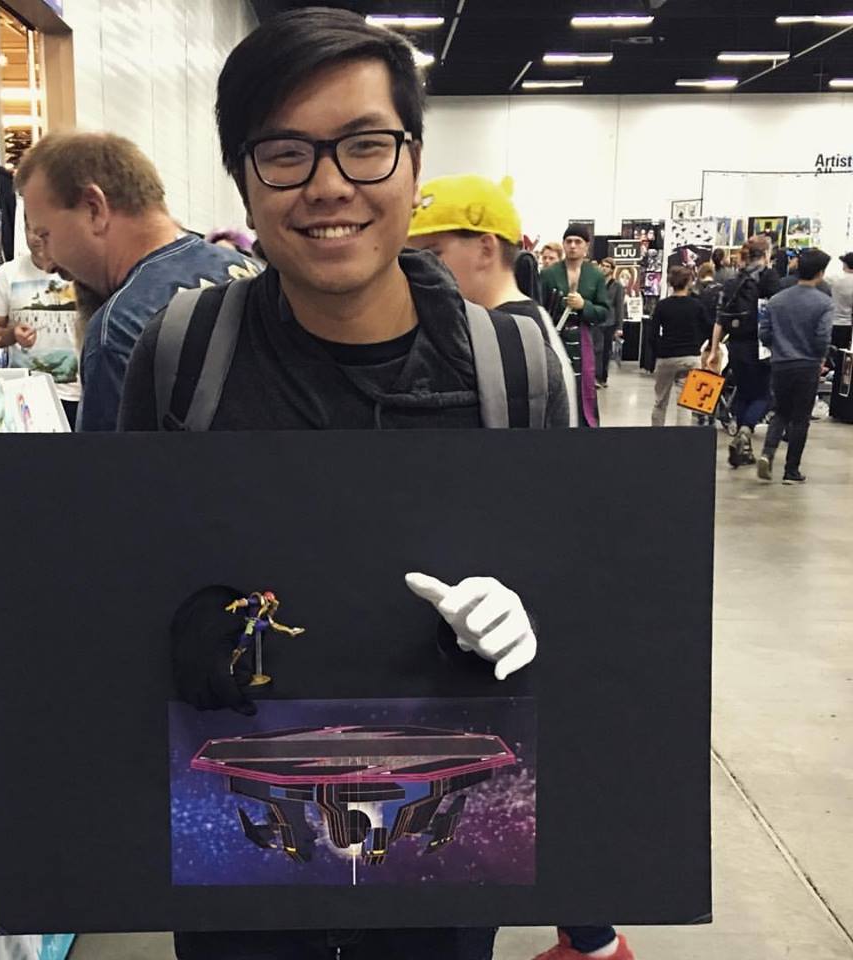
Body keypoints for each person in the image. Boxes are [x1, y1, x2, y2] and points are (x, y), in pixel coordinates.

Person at [120, 9, 632, 960]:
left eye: (365, 146)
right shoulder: (185, 355)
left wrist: (530, 615)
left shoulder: (513, 367)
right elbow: (120, 572)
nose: (328, 186)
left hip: (443, 839)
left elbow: (585, 595)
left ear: (413, 162)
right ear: (243, 176)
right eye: (286, 153)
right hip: (240, 839)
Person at [14, 131, 258, 431]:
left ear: (94, 209)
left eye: (45, 235)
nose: (49, 262)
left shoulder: (120, 326)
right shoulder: (248, 269)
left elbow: (112, 461)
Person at [405, 172, 575, 423]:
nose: (416, 267)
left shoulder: (515, 341)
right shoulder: (521, 325)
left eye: (432, 253)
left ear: (486, 249)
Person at [0, 215, 81, 427]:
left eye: (43, 230)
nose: (36, 237)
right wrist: (12, 334)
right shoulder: (7, 274)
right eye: (30, 229)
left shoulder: (81, 271)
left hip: (78, 394)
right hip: (26, 394)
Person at [757, 249, 834, 484]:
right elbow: (822, 338)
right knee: (800, 418)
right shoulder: (824, 303)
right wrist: (820, 358)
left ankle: (767, 453)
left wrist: (777, 347)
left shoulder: (777, 300)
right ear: (820, 273)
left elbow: (764, 333)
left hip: (780, 363)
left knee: (780, 412)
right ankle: (791, 470)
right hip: (807, 365)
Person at [707, 236, 781, 467]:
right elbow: (775, 312)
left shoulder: (733, 280)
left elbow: (720, 318)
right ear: (766, 254)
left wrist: (713, 348)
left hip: (735, 344)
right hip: (760, 345)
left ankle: (743, 449)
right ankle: (746, 430)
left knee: (743, 393)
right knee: (764, 394)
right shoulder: (768, 278)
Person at [540, 225, 610, 427]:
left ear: (586, 246)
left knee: (583, 391)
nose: (572, 245)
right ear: (563, 244)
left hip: (583, 342)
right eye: (568, 241)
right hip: (554, 340)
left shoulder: (595, 275)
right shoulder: (549, 274)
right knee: (554, 386)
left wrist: (584, 306)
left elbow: (604, 312)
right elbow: (538, 308)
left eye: (578, 242)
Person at [650, 266, 711, 427]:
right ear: (689, 282)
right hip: (690, 356)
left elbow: (652, 334)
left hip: (667, 356)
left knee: (660, 401)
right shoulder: (696, 305)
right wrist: (697, 344)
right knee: (686, 404)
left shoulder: (662, 306)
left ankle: (655, 434)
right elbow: (708, 328)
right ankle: (682, 437)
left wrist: (658, 351)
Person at [596, 258, 624, 388]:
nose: (604, 268)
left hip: (610, 321)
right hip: (597, 320)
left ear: (612, 269)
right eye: (603, 265)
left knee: (606, 350)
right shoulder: (597, 283)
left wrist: (619, 326)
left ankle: (603, 377)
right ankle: (595, 376)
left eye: (607, 266)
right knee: (596, 350)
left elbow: (619, 306)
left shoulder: (617, 286)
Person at [830, 252, 853, 349]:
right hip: (847, 325)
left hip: (831, 322)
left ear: (845, 264)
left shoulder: (833, 279)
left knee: (829, 353)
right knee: (843, 353)